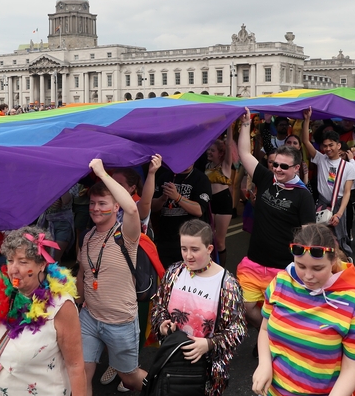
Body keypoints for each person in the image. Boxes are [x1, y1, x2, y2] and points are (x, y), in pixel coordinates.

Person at [0, 224, 86, 396]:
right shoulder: (6, 285)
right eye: (10, 260)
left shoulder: (61, 306)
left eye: (23, 262)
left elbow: (76, 366)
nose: (13, 269)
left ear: (42, 264)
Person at [252, 223, 355, 396]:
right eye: (300, 266)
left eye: (317, 268)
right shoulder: (280, 283)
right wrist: (264, 363)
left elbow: (352, 369)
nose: (308, 276)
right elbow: (264, 328)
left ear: (333, 261)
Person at [236, 107, 315, 339]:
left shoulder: (303, 196)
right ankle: (271, 337)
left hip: (281, 269)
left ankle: (271, 341)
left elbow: (308, 235)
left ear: (296, 168)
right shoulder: (265, 178)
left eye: (284, 166)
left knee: (279, 313)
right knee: (248, 309)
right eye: (276, 165)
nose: (278, 169)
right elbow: (243, 153)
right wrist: (245, 124)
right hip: (253, 262)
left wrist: (306, 269)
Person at [151, 219, 246, 396]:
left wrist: (209, 344)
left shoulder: (228, 284)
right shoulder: (174, 272)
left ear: (209, 249)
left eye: (194, 249)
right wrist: (162, 324)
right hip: (173, 361)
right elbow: (159, 307)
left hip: (207, 371)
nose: (188, 256)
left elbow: (237, 329)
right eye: (184, 249)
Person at [76, 158, 147, 395]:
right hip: (89, 317)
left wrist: (102, 173)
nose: (95, 208)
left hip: (120, 321)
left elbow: (133, 208)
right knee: (81, 372)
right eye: (92, 203)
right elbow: (84, 272)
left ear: (116, 206)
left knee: (130, 378)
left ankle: (162, 388)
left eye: (102, 203)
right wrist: (77, 301)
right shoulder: (87, 237)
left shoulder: (126, 233)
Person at [301, 108, 355, 255]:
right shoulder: (321, 159)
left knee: (339, 239)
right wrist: (307, 119)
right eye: (325, 146)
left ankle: (342, 264)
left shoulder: (348, 167)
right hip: (322, 204)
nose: (328, 149)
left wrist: (339, 214)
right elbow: (305, 141)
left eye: (331, 145)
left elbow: (347, 192)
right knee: (321, 238)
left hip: (338, 206)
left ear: (338, 145)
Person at [153, 162, 212, 269]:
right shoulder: (164, 177)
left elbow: (199, 210)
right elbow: (153, 207)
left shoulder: (201, 179)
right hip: (166, 239)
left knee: (191, 276)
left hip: (191, 240)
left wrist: (177, 197)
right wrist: (162, 198)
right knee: (168, 277)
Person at [205, 129, 235, 267]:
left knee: (219, 240)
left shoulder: (225, 166)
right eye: (209, 150)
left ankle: (222, 269)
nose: (209, 153)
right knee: (208, 238)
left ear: (221, 153)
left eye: (213, 151)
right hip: (210, 202)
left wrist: (229, 126)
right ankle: (209, 265)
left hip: (223, 201)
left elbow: (229, 144)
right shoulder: (206, 165)